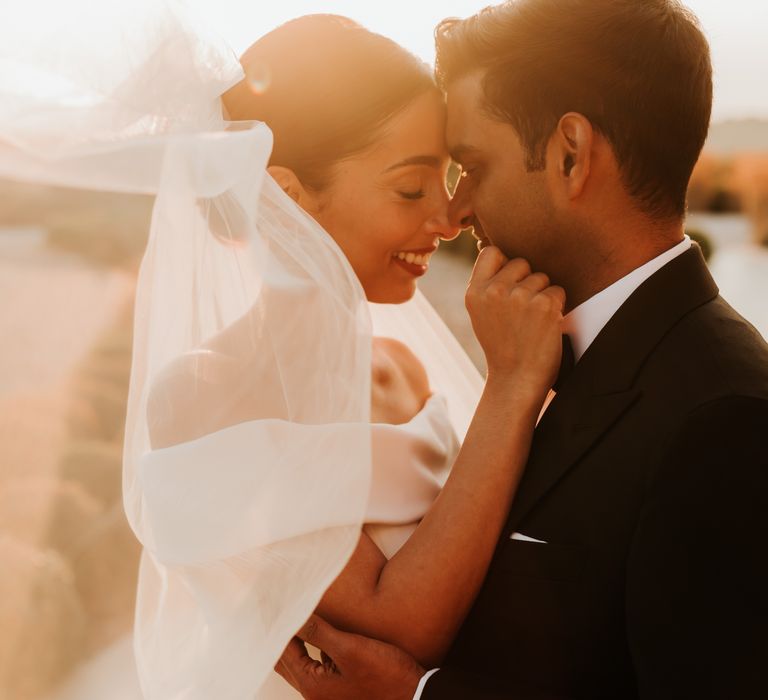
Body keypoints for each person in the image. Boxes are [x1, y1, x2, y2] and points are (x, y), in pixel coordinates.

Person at [278, 1, 768, 699]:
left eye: (473, 165)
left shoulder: (726, 420)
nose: (457, 210)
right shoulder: (558, 357)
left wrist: (418, 697)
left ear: (570, 154)